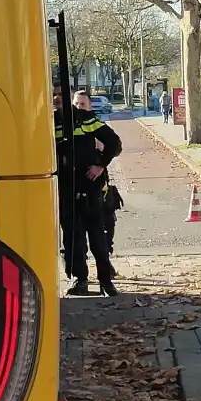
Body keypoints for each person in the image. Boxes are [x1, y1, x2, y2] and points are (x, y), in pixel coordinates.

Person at [54, 83, 123, 296]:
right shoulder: (49, 122)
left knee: (97, 237)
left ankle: (106, 282)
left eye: (60, 94)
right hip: (66, 189)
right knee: (73, 238)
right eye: (53, 95)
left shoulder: (85, 119)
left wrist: (100, 164)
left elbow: (114, 143)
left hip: (90, 189)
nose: (56, 98)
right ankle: (79, 280)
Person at [73, 89, 122, 253]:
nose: (79, 107)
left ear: (90, 105)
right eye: (76, 104)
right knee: (76, 234)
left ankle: (106, 265)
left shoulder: (96, 124)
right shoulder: (67, 124)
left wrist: (101, 163)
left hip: (98, 185)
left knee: (104, 229)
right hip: (74, 186)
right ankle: (79, 274)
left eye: (82, 104)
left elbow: (116, 146)